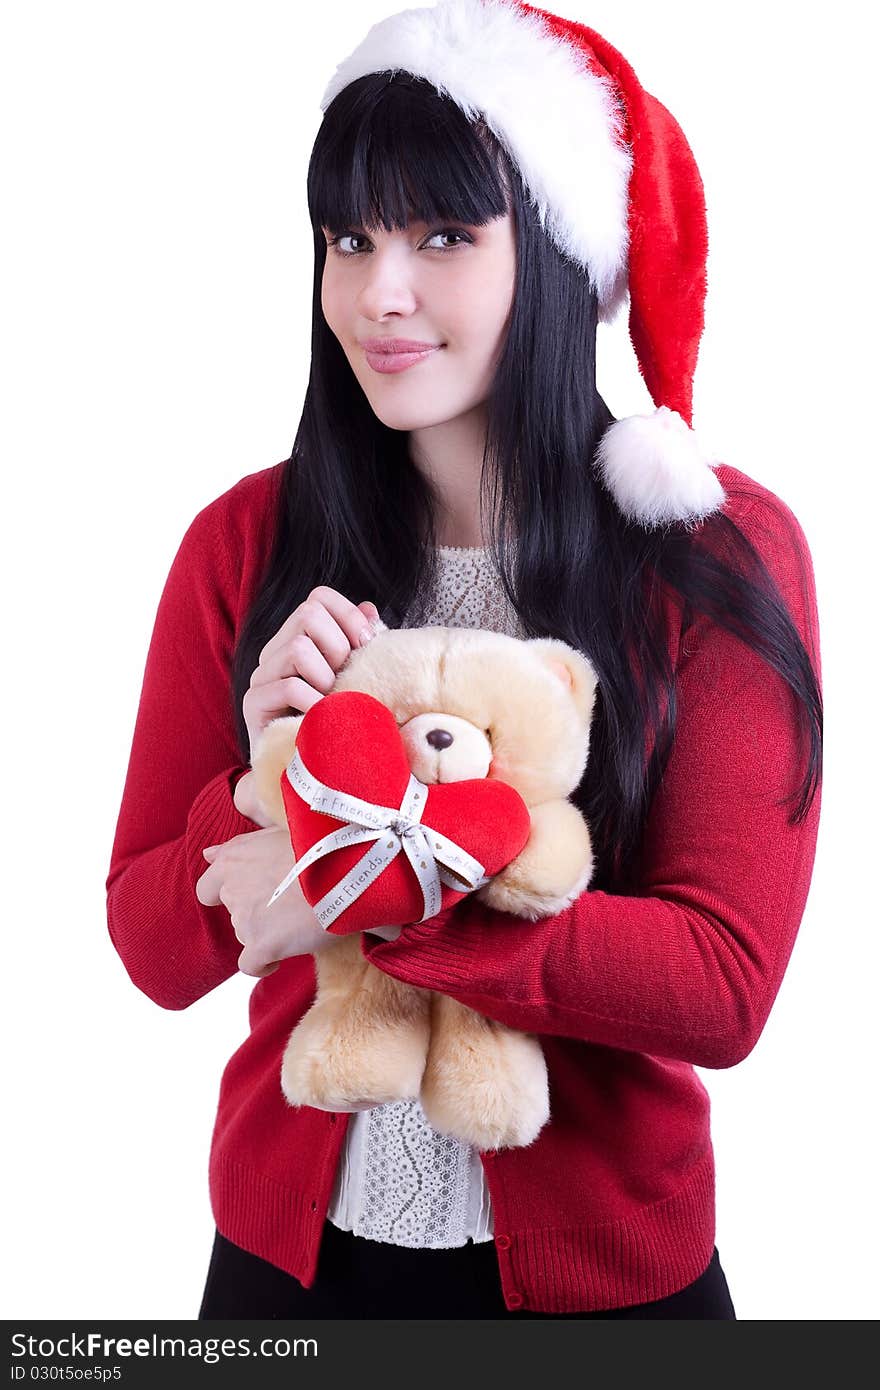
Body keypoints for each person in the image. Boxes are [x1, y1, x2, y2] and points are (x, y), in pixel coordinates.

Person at [105, 0, 822, 1320]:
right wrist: (258, 788)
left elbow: (720, 982)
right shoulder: (243, 543)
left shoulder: (712, 554)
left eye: (444, 234)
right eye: (349, 237)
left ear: (551, 252)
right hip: (286, 1271)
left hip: (610, 1281)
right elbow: (154, 940)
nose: (379, 290)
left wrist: (361, 873)